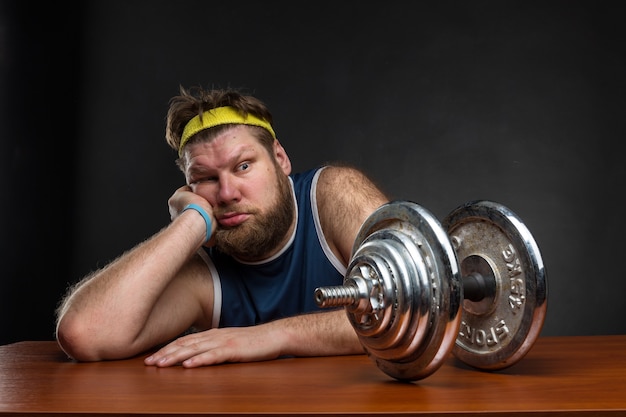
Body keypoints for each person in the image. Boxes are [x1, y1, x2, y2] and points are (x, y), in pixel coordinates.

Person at [55, 86, 389, 368]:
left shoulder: (333, 194)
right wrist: (191, 222)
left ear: (280, 158)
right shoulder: (205, 273)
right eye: (205, 179)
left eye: (243, 166)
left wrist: (271, 335)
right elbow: (84, 333)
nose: (227, 193)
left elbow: (416, 307)